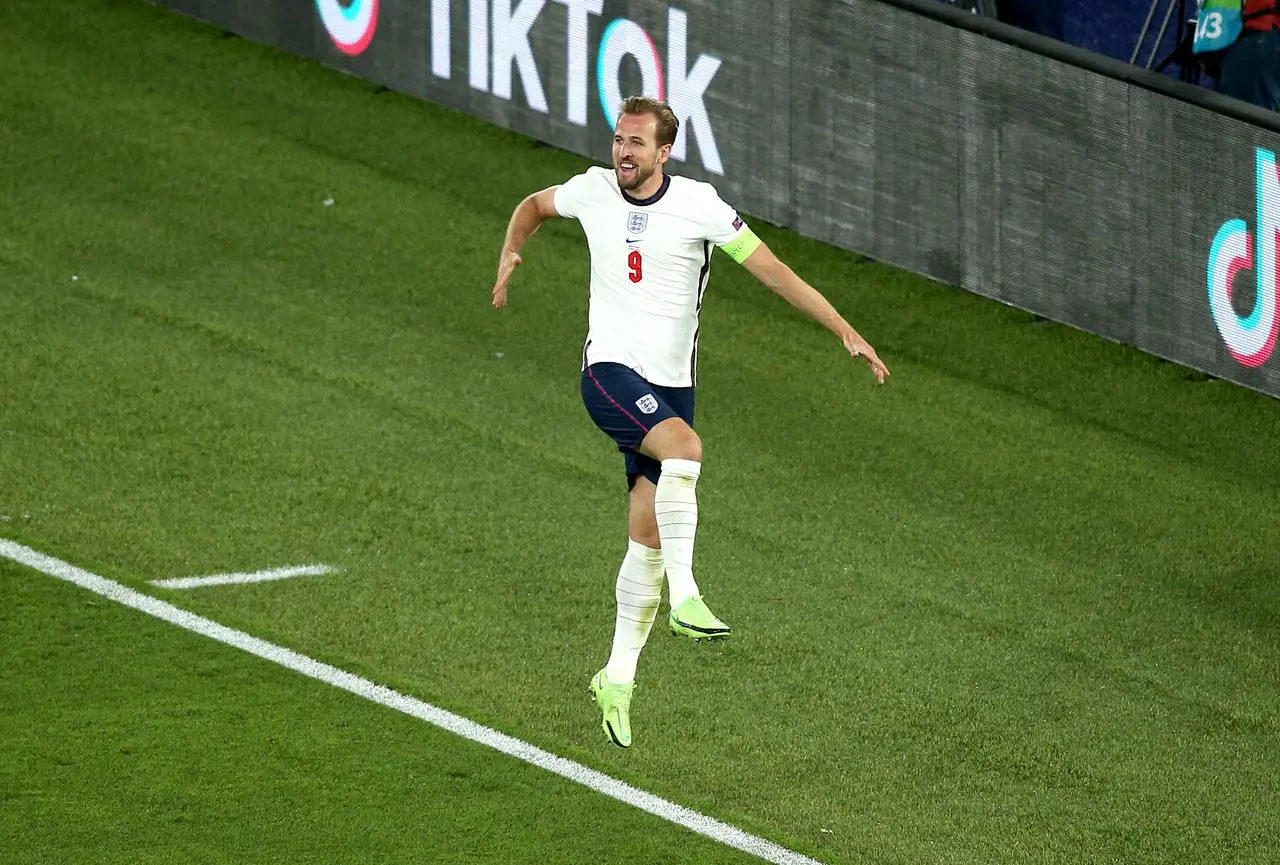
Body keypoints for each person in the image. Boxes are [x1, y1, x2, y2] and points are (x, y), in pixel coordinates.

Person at [491, 95, 890, 749]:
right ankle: (689, 595)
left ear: (664, 151)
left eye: (636, 143)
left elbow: (775, 273)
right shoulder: (593, 191)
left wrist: (844, 329)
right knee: (686, 449)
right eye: (619, 140)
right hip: (609, 376)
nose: (623, 152)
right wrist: (511, 252)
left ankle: (616, 678)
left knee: (644, 540)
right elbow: (532, 207)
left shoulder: (699, 205)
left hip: (672, 387)